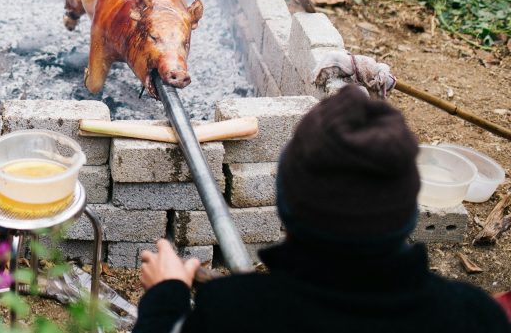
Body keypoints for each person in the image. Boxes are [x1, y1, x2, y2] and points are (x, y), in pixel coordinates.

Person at [133, 86, 511, 333]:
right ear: (409, 211)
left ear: (285, 205)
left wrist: (165, 301)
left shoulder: (234, 311)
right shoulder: (474, 317)